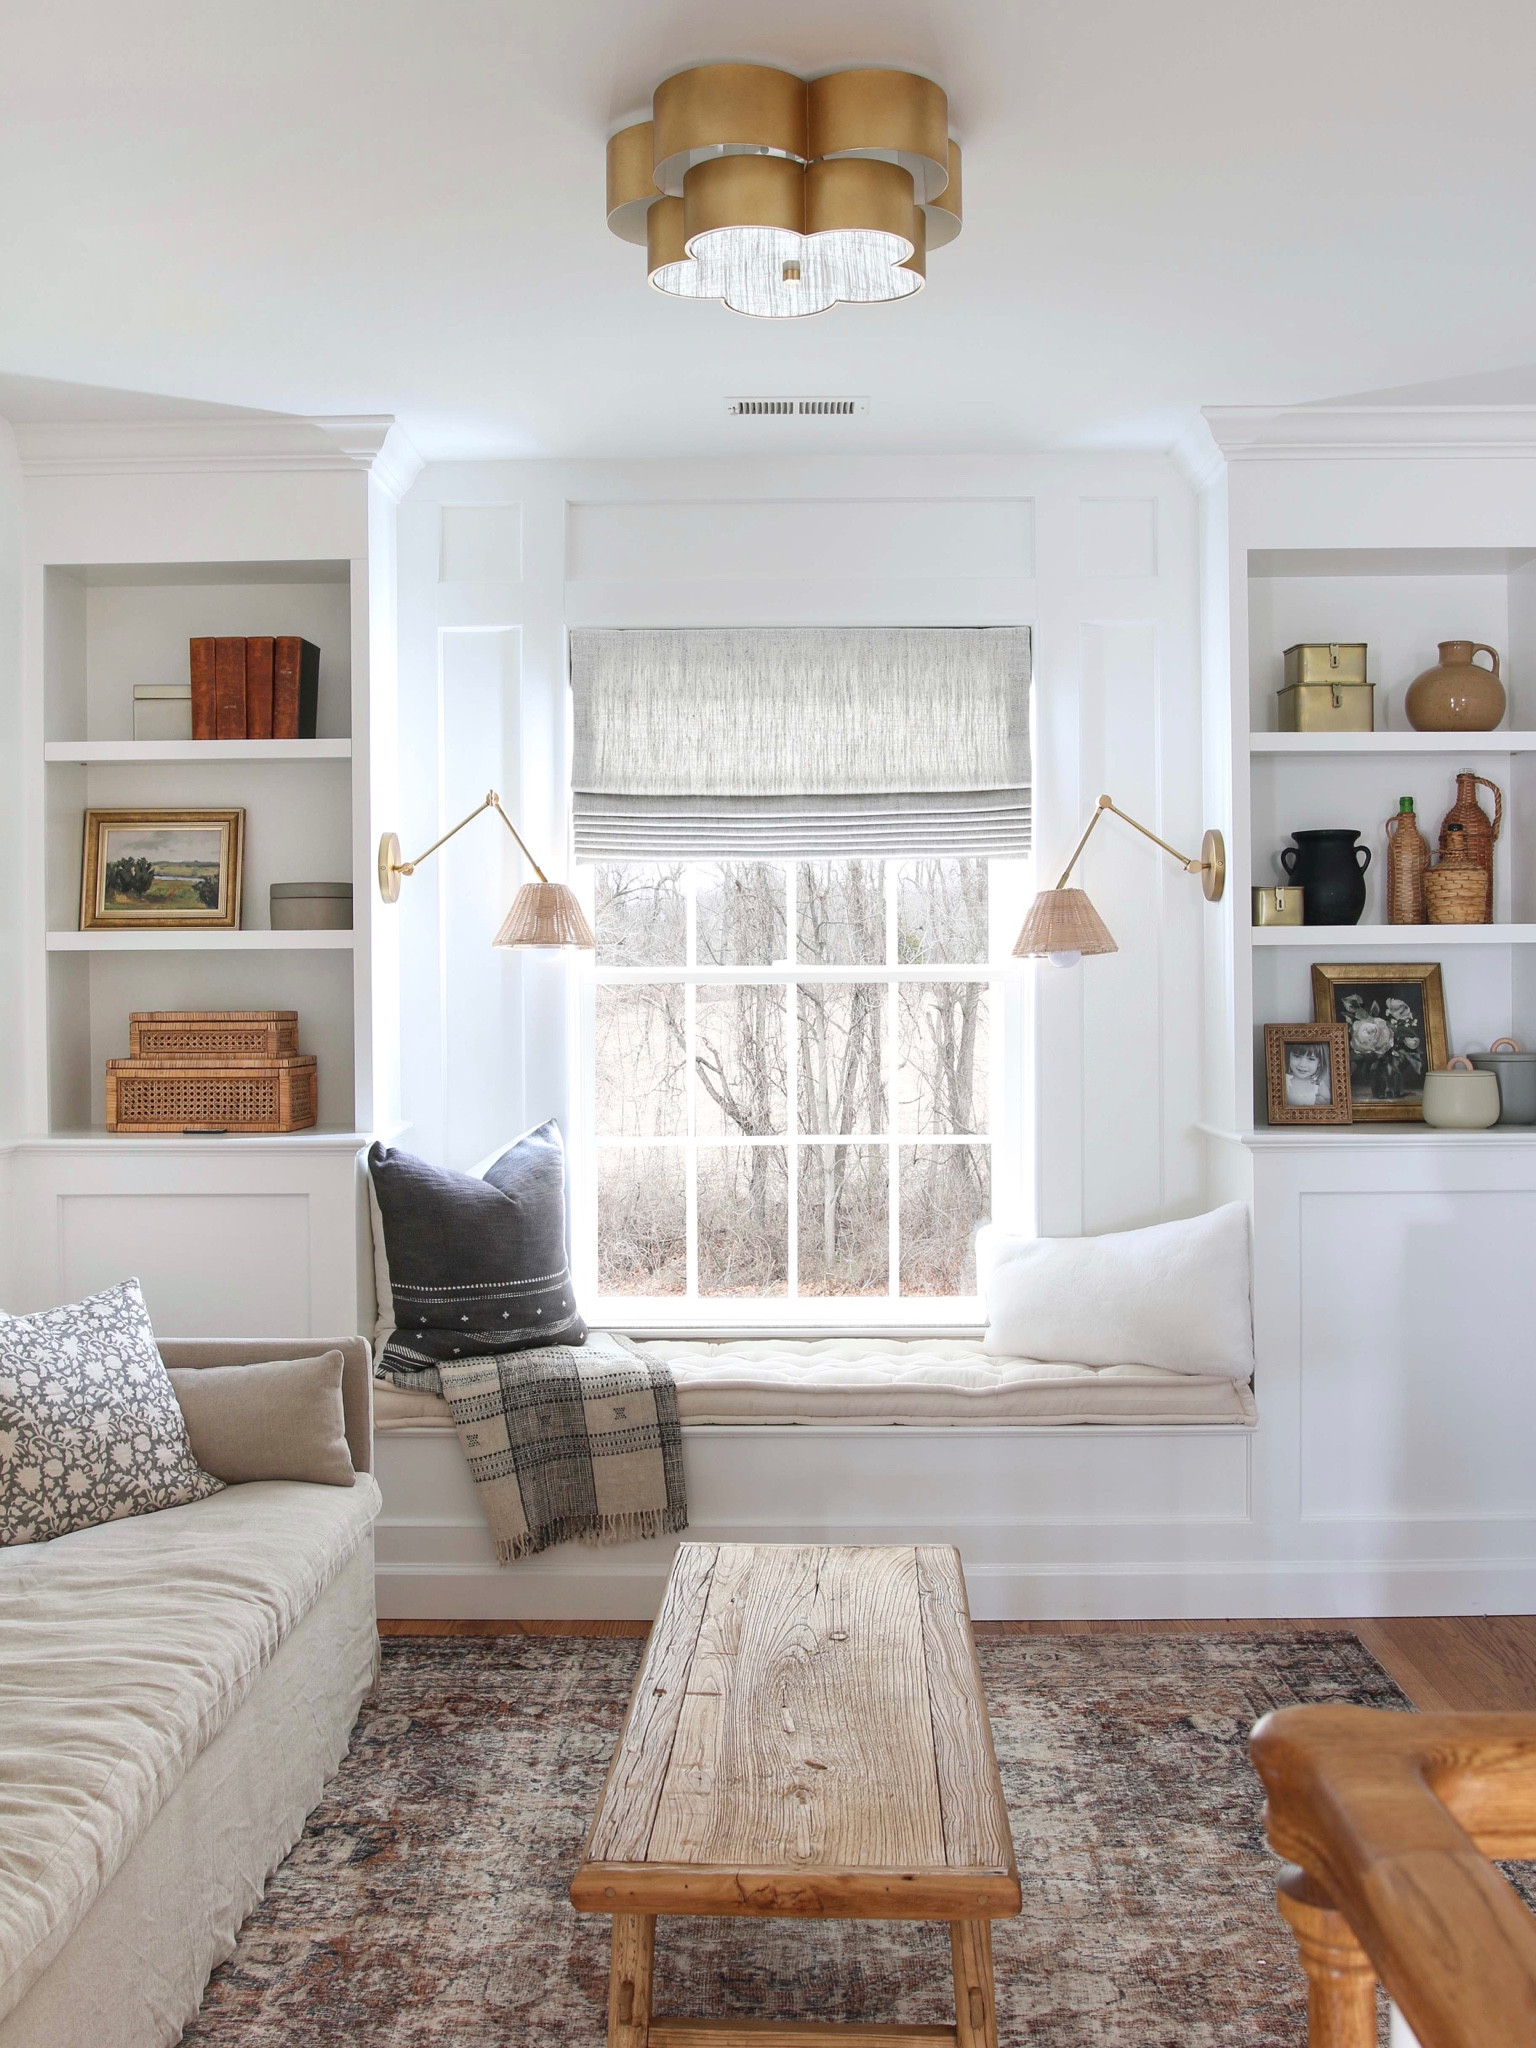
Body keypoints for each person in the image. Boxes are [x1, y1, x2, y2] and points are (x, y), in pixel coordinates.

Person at [1285, 1041, 1330, 1108]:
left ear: (1319, 1063)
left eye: (1311, 1059)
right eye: (1297, 1056)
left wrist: (1322, 1103)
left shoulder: (1318, 1082)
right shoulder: (1285, 1080)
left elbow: (1328, 1100)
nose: (1302, 1064)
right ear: (1289, 1057)